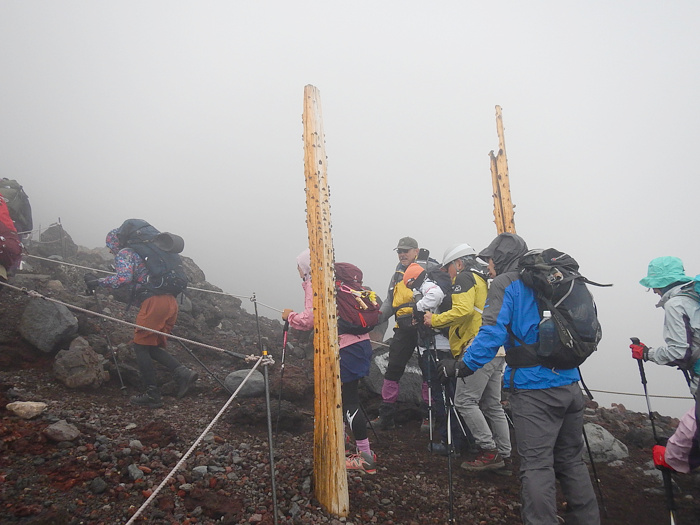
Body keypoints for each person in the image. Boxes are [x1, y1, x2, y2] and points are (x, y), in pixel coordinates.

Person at [438, 233, 600, 524]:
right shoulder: (553, 280)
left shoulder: (506, 283)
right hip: (571, 384)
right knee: (571, 461)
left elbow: (492, 333)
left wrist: (463, 366)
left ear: (499, 258)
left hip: (535, 391)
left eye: (489, 260)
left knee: (537, 466)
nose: (487, 266)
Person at [282, 249, 377, 475]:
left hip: (345, 347)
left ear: (306, 267)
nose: (297, 270)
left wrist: (289, 317)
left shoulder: (315, 282)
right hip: (361, 344)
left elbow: (311, 318)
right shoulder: (334, 281)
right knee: (344, 396)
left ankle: (365, 457)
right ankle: (341, 437)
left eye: (299, 266)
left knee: (350, 400)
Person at [84, 228, 198, 408]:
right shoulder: (150, 253)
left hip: (154, 302)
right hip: (171, 302)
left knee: (140, 347)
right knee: (149, 346)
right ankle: (183, 373)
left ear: (116, 242)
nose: (110, 250)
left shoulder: (125, 253)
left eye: (110, 246)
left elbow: (123, 279)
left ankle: (153, 395)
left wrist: (97, 282)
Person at [425, 243, 511, 472]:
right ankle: (504, 452)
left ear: (459, 263)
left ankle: (489, 450)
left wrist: (433, 320)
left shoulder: (464, 278)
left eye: (448, 268)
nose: (449, 273)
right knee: (492, 404)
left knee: (465, 401)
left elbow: (462, 311)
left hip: (477, 347)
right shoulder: (484, 279)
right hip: (497, 349)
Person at [630, 256, 700, 396]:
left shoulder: (675, 304)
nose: (654, 291)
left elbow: (678, 354)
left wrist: (645, 353)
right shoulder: (694, 297)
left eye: (653, 286)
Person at [372, 236, 420, 430]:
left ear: (416, 251)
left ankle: (430, 417)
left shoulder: (429, 270)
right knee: (393, 369)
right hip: (402, 328)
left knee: (429, 372)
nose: (402, 254)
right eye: (399, 251)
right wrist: (375, 319)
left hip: (424, 326)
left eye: (406, 250)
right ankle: (386, 416)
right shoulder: (397, 274)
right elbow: (390, 301)